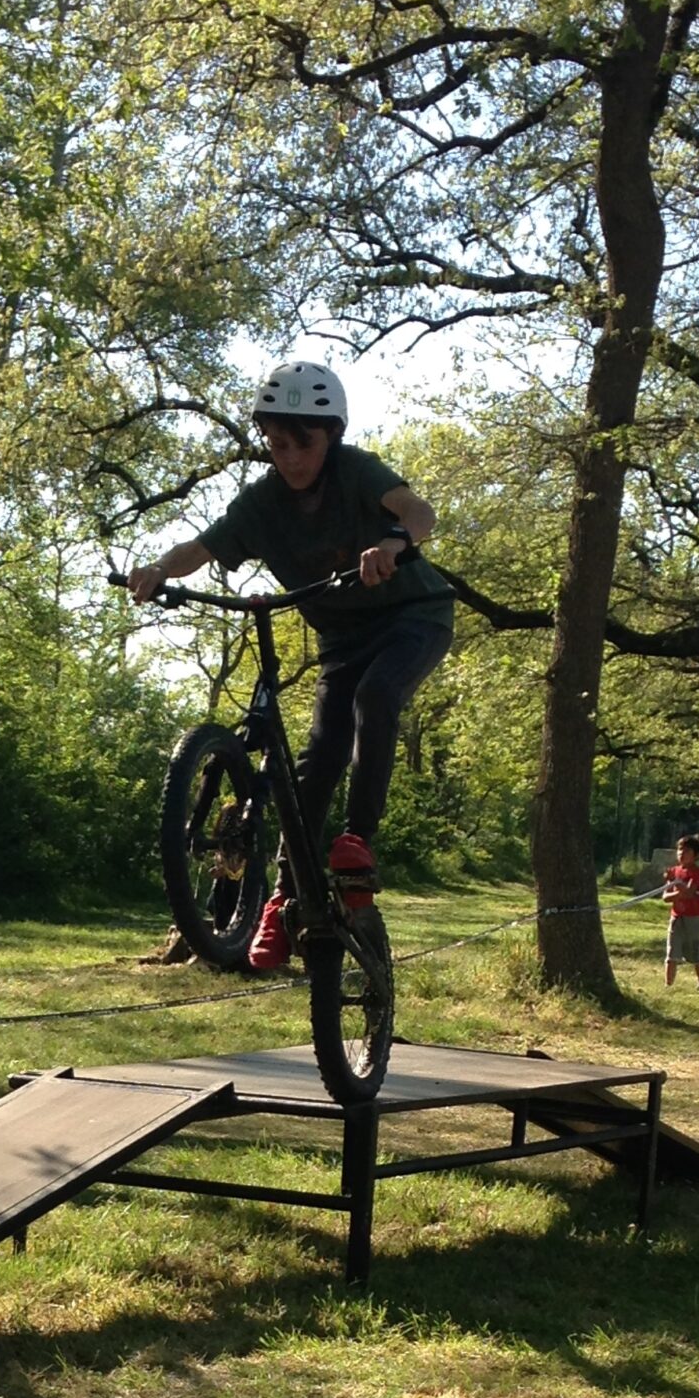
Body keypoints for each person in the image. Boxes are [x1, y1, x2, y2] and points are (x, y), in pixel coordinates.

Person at [127, 359, 453, 970]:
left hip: (414, 618)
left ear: (331, 436)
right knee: (314, 767)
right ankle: (282, 897)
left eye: (304, 444)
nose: (291, 458)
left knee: (374, 700)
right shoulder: (263, 503)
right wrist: (157, 570)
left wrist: (391, 544)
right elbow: (200, 547)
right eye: (278, 445)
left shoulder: (357, 472)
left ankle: (357, 843)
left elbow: (419, 512)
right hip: (342, 642)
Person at [662, 835, 699, 987]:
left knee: (695, 951)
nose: (682, 853)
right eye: (680, 849)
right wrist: (675, 890)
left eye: (687, 851)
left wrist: (678, 885)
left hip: (693, 917)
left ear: (696, 855)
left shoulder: (697, 872)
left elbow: (689, 892)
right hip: (676, 916)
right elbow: (665, 897)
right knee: (672, 952)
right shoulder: (674, 871)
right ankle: (668, 985)